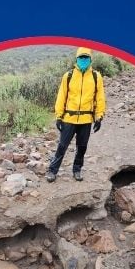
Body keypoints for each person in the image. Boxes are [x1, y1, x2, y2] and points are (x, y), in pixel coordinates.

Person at [47, 47, 106, 182]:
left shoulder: (96, 77)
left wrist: (99, 117)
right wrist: (59, 116)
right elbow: (61, 96)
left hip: (86, 119)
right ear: (76, 59)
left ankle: (77, 169)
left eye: (86, 58)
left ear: (91, 59)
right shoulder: (68, 76)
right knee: (62, 145)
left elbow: (100, 98)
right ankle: (52, 171)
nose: (83, 60)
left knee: (82, 147)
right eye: (81, 58)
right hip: (69, 118)